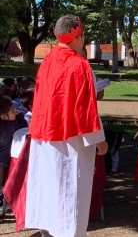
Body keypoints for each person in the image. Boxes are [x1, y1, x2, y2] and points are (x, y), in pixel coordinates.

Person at [25, 14, 108, 237]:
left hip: (45, 138)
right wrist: (100, 141)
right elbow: (86, 110)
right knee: (70, 198)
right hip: (71, 142)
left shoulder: (46, 62)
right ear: (79, 38)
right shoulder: (80, 66)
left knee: (50, 195)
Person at [0, 96, 27, 219]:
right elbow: (23, 127)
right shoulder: (8, 127)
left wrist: (18, 116)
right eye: (12, 110)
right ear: (3, 116)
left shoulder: (12, 124)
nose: (15, 111)